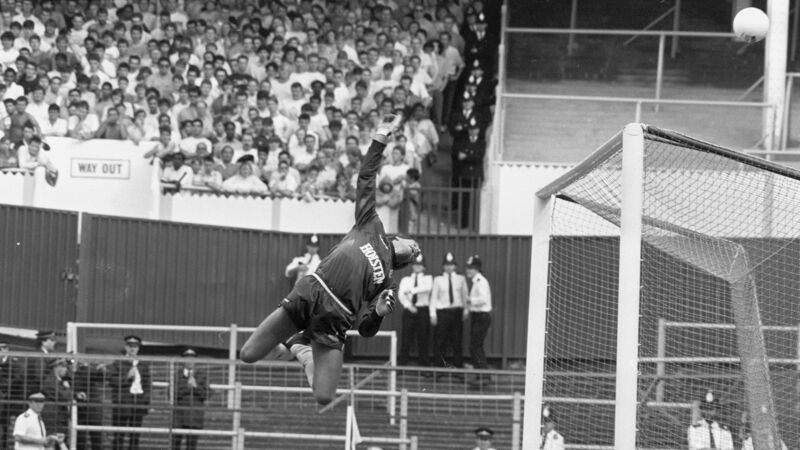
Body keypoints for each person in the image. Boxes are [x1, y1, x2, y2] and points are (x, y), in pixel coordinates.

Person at [239, 114, 421, 406]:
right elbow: (366, 178)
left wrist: (378, 313)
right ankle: (299, 346)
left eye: (414, 251)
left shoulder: (388, 281)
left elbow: (365, 329)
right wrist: (380, 137)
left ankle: (304, 349)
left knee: (324, 396)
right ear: (397, 239)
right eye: (412, 243)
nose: (413, 246)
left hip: (335, 318)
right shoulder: (371, 225)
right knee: (247, 354)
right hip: (313, 289)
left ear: (404, 260)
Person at [109, 335, 151, 450]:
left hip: (138, 404)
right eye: (130, 346)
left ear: (138, 348)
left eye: (135, 346)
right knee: (118, 436)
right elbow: (112, 380)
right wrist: (126, 377)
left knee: (135, 437)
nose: (133, 349)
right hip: (122, 404)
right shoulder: (118, 363)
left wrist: (145, 402)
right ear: (126, 347)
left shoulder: (143, 365)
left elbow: (147, 385)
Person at [430, 252, 468, 370]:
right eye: (446, 265)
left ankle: (458, 368)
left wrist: (466, 310)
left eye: (451, 264)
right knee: (440, 341)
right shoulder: (438, 279)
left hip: (457, 312)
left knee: (457, 341)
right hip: (443, 313)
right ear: (443, 266)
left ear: (455, 266)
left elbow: (465, 296)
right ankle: (439, 369)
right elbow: (434, 298)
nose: (449, 267)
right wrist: (433, 314)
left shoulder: (461, 279)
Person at [397, 254, 433, 368]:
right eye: (416, 264)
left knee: (423, 338)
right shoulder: (405, 280)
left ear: (424, 267)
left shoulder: (428, 279)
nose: (418, 267)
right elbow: (401, 294)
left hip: (423, 310)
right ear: (412, 266)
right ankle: (402, 364)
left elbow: (428, 288)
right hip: (409, 310)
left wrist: (412, 290)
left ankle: (424, 364)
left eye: (420, 265)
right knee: (406, 338)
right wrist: (408, 305)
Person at [172, 349, 209, 450]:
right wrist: (187, 387)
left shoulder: (202, 375)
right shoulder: (176, 375)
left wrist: (196, 386)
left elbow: (206, 394)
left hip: (194, 416)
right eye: (187, 358)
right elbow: (172, 394)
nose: (189, 361)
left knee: (191, 446)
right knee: (175, 445)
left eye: (192, 358)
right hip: (179, 416)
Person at [465, 255, 492, 383]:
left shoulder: (481, 281)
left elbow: (483, 300)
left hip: (481, 316)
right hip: (477, 316)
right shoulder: (477, 281)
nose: (468, 271)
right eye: (468, 268)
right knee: (476, 347)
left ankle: (483, 376)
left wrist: (470, 300)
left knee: (475, 347)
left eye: (471, 268)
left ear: (478, 269)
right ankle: (482, 375)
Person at [71, 357, 105, 450]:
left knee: (89, 441)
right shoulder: (79, 375)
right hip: (86, 412)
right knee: (90, 441)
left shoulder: (81, 375)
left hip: (89, 412)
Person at [39, 359, 71, 444]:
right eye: (64, 367)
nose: (66, 370)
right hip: (53, 420)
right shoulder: (49, 381)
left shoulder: (59, 382)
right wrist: (67, 388)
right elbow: (64, 396)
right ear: (56, 367)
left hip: (59, 419)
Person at [0, 340, 24, 450]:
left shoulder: (15, 364)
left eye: (2, 348)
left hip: (9, 402)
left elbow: (17, 380)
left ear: (6, 349)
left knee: (6, 429)